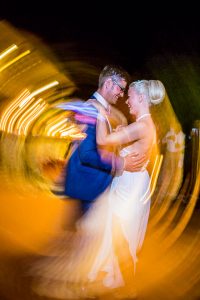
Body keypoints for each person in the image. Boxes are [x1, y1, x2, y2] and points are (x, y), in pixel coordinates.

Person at [28, 79, 165, 299]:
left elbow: (102, 139)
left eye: (129, 95)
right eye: (124, 93)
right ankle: (107, 281)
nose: (126, 99)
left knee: (111, 233)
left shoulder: (141, 125)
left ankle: (105, 282)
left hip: (128, 185)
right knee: (109, 234)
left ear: (141, 97)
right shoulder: (143, 124)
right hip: (128, 182)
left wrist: (100, 114)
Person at [63, 65, 147, 220]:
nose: (122, 95)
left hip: (95, 186)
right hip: (87, 187)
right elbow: (87, 154)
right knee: (83, 237)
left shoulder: (108, 111)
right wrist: (121, 163)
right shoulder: (90, 108)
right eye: (120, 89)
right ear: (108, 83)